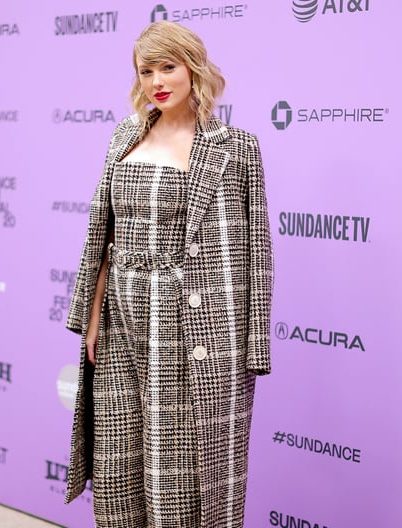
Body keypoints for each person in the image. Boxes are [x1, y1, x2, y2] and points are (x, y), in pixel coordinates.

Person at [64, 21, 274, 528]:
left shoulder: (236, 147)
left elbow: (258, 252)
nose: (157, 80)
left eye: (168, 67)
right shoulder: (123, 136)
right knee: (120, 459)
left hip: (196, 326)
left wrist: (255, 344)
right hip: (122, 319)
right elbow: (101, 234)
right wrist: (92, 319)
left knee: (182, 468)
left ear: (192, 68)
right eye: (146, 70)